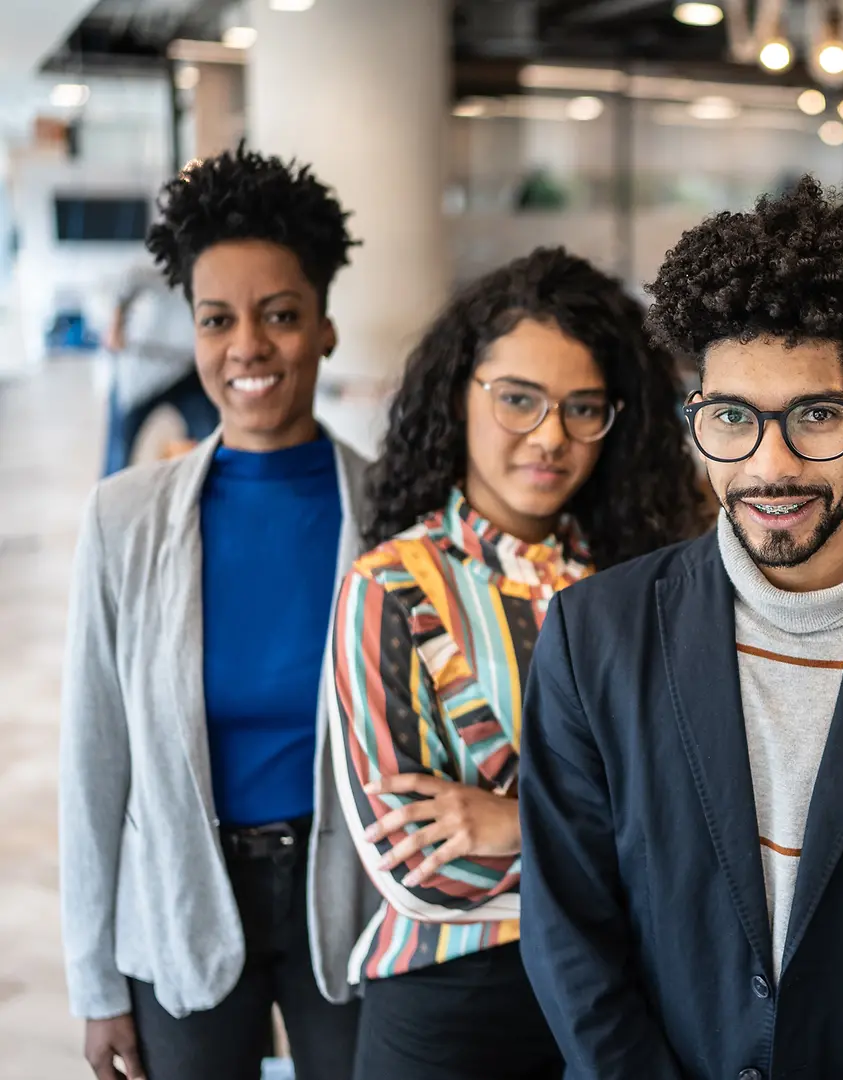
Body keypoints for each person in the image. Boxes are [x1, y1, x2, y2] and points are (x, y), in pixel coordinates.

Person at [517, 177, 843, 1079]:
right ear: (696, 423)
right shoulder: (590, 637)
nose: (770, 464)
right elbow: (570, 938)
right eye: (732, 417)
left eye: (814, 415)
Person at [330, 247, 707, 1080]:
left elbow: (707, 825)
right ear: (457, 393)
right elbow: (418, 870)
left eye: (584, 409)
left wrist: (513, 821)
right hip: (449, 1008)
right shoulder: (392, 585)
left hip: (620, 1000)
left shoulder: (643, 585)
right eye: (518, 400)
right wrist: (616, 838)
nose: (551, 437)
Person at [59, 146, 375, 1080]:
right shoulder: (124, 519)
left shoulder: (392, 511)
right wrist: (95, 984)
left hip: (349, 903)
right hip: (182, 898)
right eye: (217, 319)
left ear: (323, 327)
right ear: (193, 333)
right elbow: (94, 761)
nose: (248, 347)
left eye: (279, 315)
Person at [101, 261, 219, 476]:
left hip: (187, 370)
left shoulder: (214, 278)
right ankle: (109, 504)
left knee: (211, 442)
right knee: (119, 454)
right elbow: (128, 278)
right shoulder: (159, 272)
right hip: (144, 372)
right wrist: (115, 325)